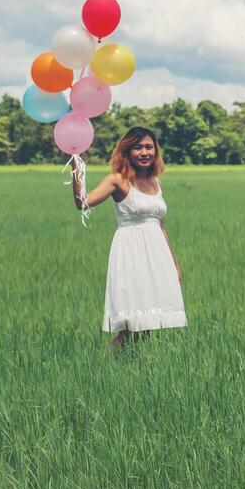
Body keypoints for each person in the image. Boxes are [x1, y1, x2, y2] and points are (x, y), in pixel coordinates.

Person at [72, 126, 186, 349]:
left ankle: (130, 368)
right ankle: (104, 368)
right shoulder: (117, 181)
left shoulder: (156, 182)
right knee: (131, 324)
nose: (144, 153)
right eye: (138, 147)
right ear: (127, 151)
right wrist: (75, 167)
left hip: (156, 256)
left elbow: (160, 227)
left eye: (149, 147)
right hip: (131, 255)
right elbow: (83, 203)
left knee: (148, 324)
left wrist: (174, 265)